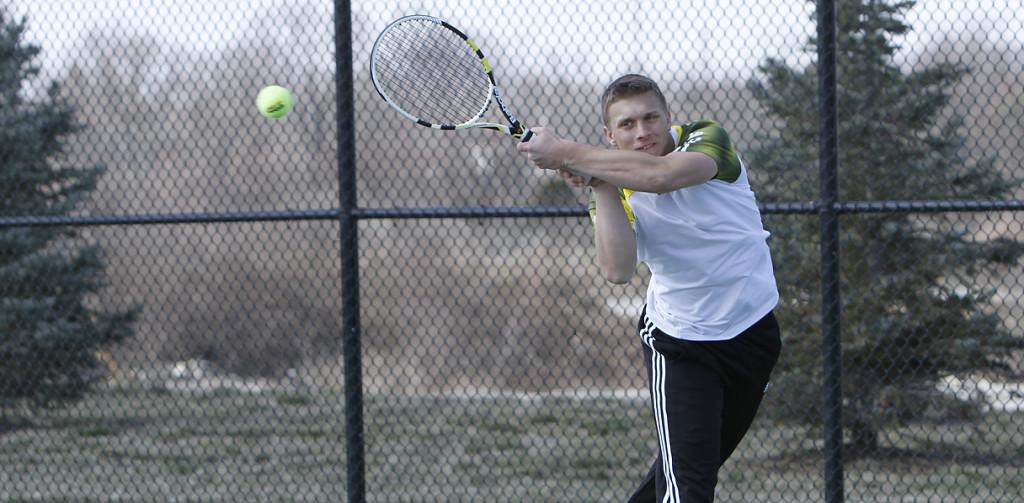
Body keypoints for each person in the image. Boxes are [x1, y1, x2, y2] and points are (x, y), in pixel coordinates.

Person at [517, 74, 782, 502]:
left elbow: (661, 177)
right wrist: (600, 183)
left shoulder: (706, 138)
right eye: (627, 125)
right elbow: (618, 269)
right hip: (681, 345)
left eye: (650, 118)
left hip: (752, 333)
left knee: (683, 473)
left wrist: (566, 152)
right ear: (609, 134)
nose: (642, 132)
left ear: (668, 117)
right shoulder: (612, 185)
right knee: (687, 489)